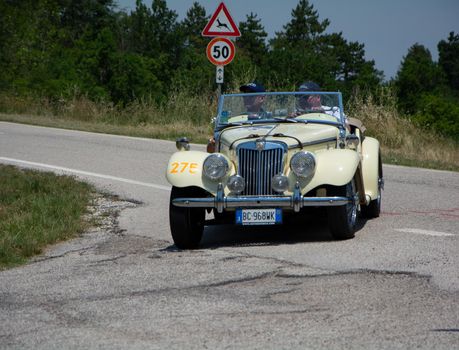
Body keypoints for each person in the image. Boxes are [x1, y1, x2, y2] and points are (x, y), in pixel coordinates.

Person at [207, 82, 267, 153]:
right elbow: (210, 150)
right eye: (245, 95)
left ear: (262, 98)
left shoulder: (271, 121)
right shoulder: (236, 120)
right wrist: (213, 143)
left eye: (251, 95)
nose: (246, 98)